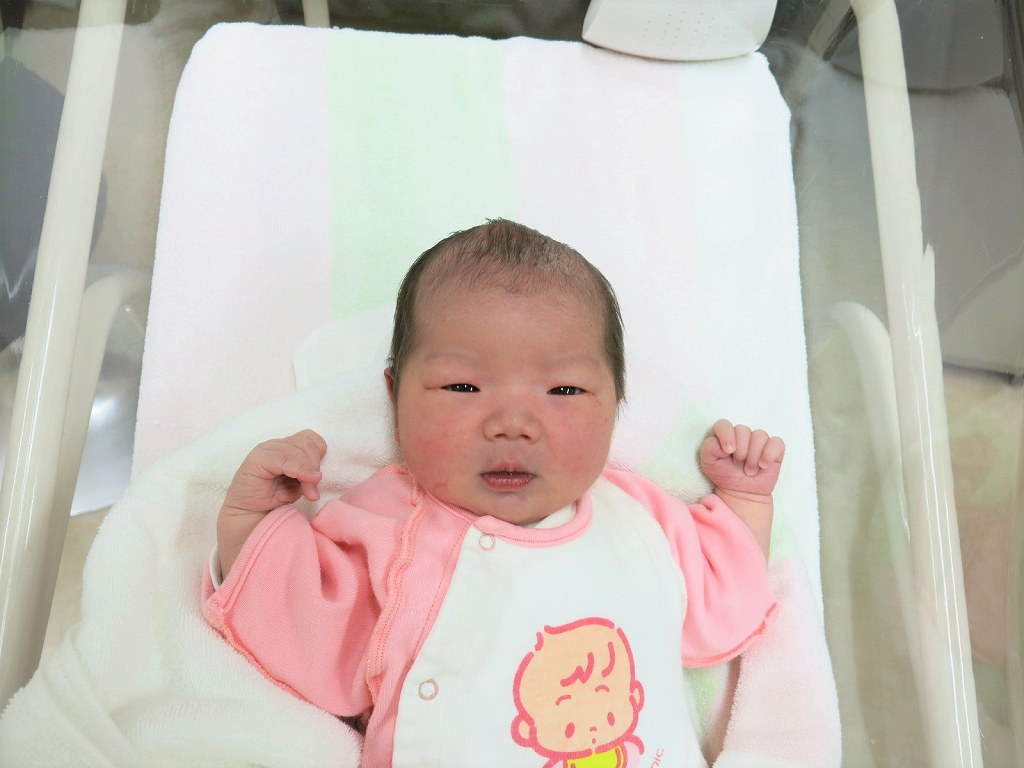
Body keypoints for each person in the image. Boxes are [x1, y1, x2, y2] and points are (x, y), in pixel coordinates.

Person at [205, 219, 785, 767]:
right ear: (395, 394)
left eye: (563, 390)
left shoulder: (640, 524)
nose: (512, 424)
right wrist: (252, 521)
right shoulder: (388, 526)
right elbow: (308, 636)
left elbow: (727, 603)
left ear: (617, 403)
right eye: (463, 386)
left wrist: (746, 500)